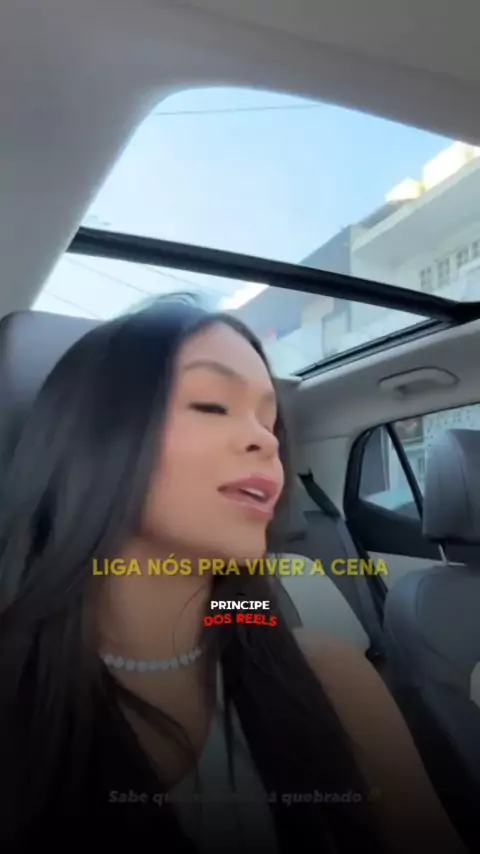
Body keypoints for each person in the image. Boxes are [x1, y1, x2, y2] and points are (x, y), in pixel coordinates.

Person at [0, 300, 466, 853]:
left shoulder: (335, 679)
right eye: (211, 404)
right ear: (91, 436)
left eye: (270, 423)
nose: (267, 442)